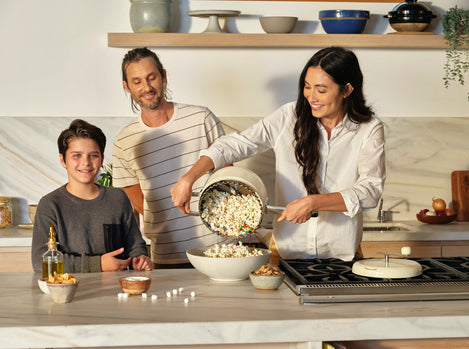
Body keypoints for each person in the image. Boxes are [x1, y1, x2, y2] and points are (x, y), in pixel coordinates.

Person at [171, 47, 386, 261]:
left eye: (321, 90)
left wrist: (313, 202)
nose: (311, 97)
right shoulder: (288, 117)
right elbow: (235, 144)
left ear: (347, 90)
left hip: (343, 254)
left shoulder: (369, 128)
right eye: (307, 86)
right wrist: (188, 178)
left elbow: (370, 190)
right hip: (286, 253)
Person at [112, 47, 232, 267]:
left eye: (151, 78)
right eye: (137, 81)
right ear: (126, 87)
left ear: (163, 76)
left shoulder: (200, 117)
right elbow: (139, 202)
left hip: (220, 248)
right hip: (167, 254)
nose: (146, 87)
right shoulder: (124, 141)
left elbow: (227, 173)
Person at [32, 119, 153, 273]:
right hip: (70, 291)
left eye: (93, 155)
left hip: (116, 291)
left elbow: (135, 245)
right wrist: (98, 264)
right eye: (77, 155)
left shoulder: (118, 198)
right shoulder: (50, 204)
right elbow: (39, 261)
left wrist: (140, 258)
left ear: (102, 159)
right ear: (63, 160)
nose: (86, 162)